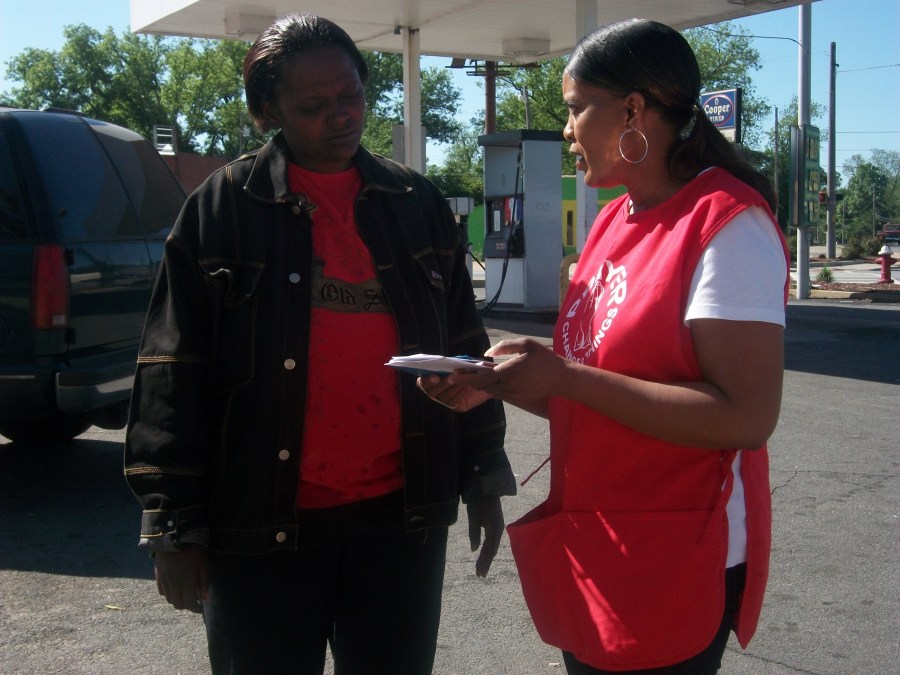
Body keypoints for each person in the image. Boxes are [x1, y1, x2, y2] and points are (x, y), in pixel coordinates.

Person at [124, 14, 515, 675]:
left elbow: (464, 346)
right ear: (267, 112)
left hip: (398, 521)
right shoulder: (222, 209)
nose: (341, 116)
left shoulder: (415, 203)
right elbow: (171, 369)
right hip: (258, 521)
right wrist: (171, 523)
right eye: (313, 106)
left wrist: (482, 471)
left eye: (351, 95)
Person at [419, 18, 789, 675]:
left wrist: (566, 379)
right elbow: (599, 392)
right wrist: (502, 384)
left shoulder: (727, 224)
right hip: (597, 542)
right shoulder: (614, 219)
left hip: (671, 557)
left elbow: (745, 417)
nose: (567, 130)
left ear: (633, 110)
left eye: (574, 108)